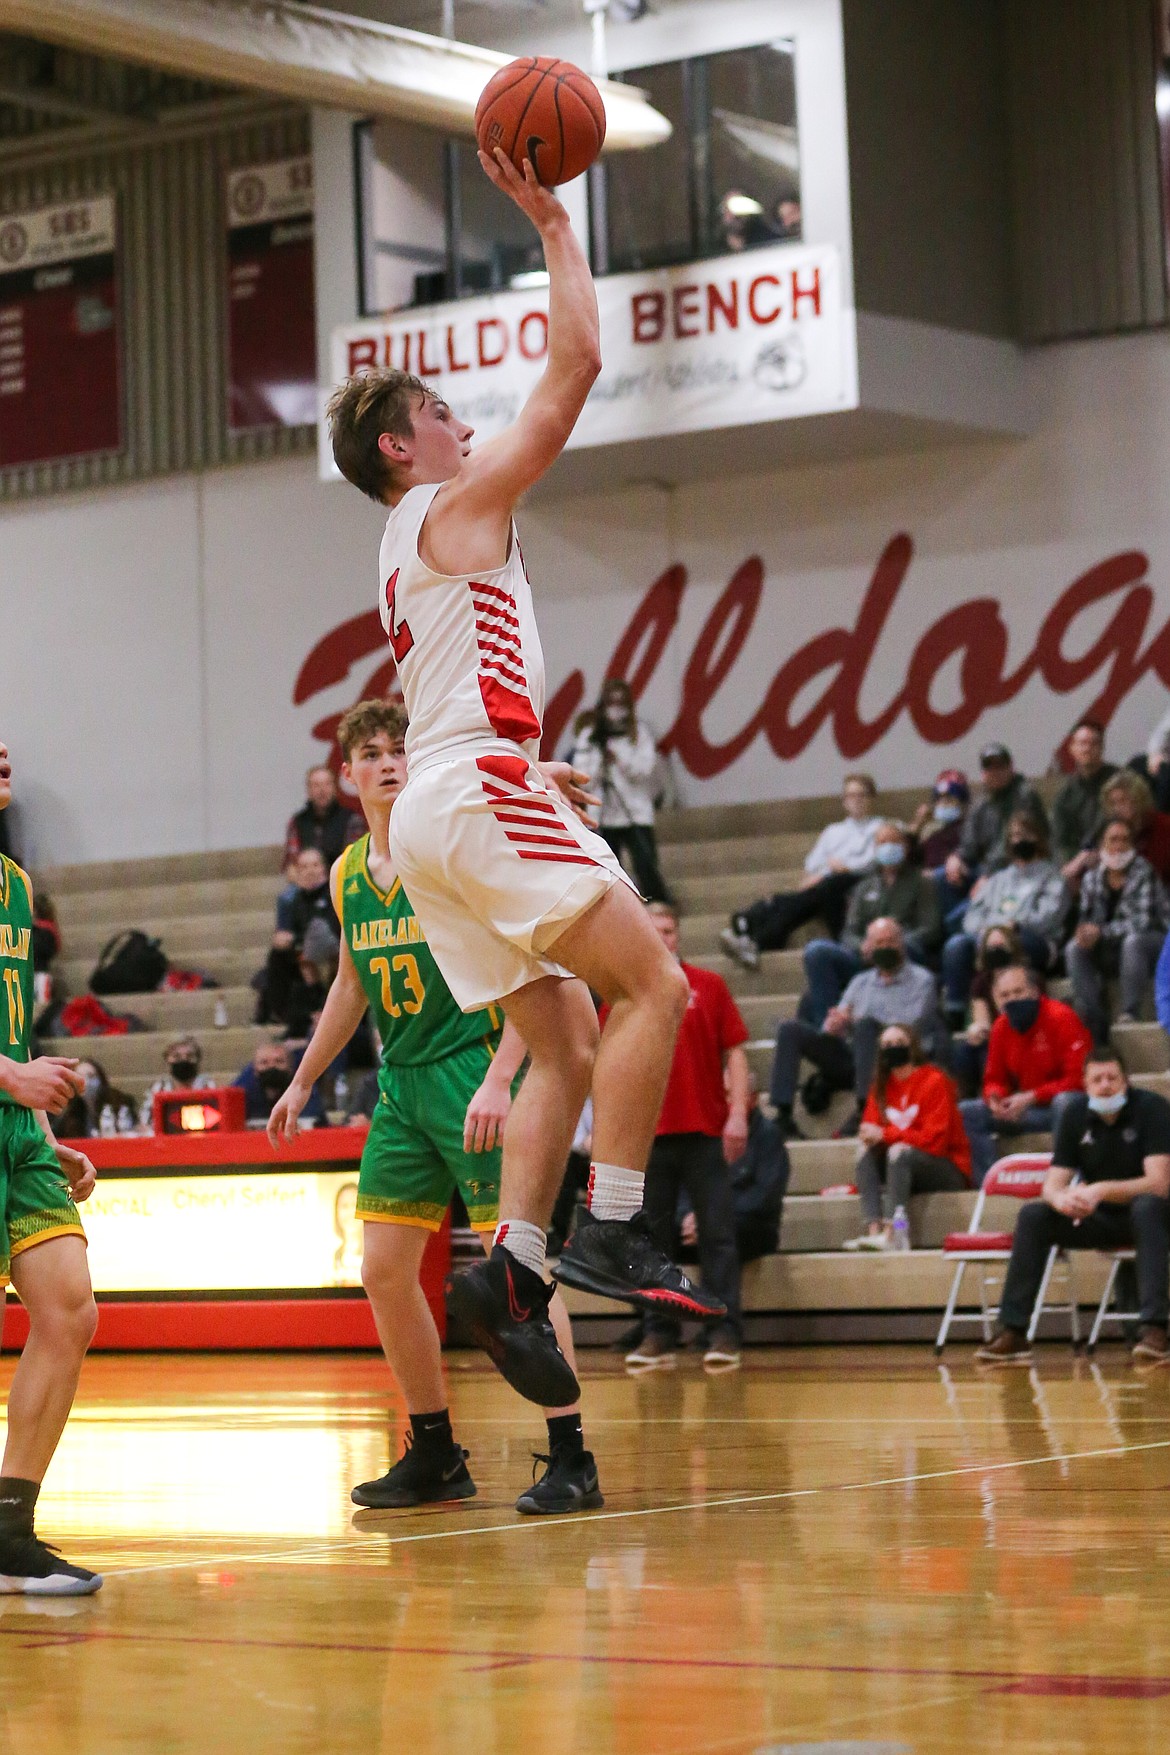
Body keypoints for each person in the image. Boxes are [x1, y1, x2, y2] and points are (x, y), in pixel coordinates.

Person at [326, 143, 723, 1409]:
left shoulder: (408, 545)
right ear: (405, 445)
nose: (464, 420)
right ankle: (612, 1219)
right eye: (442, 410)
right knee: (655, 979)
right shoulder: (453, 503)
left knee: (558, 1042)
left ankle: (515, 1261)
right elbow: (576, 370)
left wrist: (517, 767)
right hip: (474, 787)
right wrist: (553, 222)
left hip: (448, 813)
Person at [268, 700, 601, 1514]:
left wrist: (501, 1077)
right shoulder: (349, 873)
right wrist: (305, 1077)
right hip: (402, 1084)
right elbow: (351, 982)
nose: (387, 762)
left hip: (474, 1067)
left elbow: (532, 960)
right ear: (347, 775)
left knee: (518, 1271)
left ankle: (571, 1454)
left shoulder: (447, 847)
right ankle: (436, 1449)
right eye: (370, 753)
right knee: (382, 1267)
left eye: (398, 750)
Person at [0, 735, 101, 1594]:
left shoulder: (19, 887)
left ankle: (9, 1531)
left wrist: (32, 1115)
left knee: (68, 1308)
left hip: (14, 1131)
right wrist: (12, 1078)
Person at [976, 1047, 1170, 1364]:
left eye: (1112, 1078)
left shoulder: (1152, 1108)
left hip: (1155, 1218)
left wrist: (1099, 1190)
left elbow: (1159, 1183)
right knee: (1035, 1214)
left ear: (1126, 1081)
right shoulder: (1075, 1115)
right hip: (1100, 1218)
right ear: (1085, 1084)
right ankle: (1013, 1331)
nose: (1105, 1085)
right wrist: (1063, 1199)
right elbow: (1052, 1184)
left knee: (1147, 1206)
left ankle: (1156, 1330)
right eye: (1097, 1079)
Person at [624, 901, 750, 1371]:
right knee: (652, 1244)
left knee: (718, 1236)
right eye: (654, 930)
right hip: (647, 1135)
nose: (664, 938)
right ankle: (659, 1332)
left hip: (704, 1130)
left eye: (670, 930)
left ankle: (723, 1332)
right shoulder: (625, 992)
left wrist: (737, 1113)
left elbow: (735, 1052)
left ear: (679, 935)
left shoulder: (709, 986)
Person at [770, 918, 945, 1140]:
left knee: (865, 1026)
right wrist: (835, 1025)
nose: (885, 948)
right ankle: (783, 1115)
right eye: (879, 943)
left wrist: (860, 1020)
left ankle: (866, 1108)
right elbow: (838, 1022)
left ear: (902, 943)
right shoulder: (860, 983)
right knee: (790, 1029)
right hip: (857, 1059)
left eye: (890, 941)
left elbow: (911, 1026)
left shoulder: (922, 980)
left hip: (898, 1059)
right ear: (869, 948)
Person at [721, 775, 881, 969]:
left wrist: (840, 869)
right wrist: (820, 876)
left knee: (803, 894)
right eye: (850, 795)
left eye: (861, 795)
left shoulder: (881, 827)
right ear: (844, 801)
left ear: (871, 798)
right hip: (825, 885)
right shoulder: (833, 831)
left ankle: (751, 929)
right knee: (808, 894)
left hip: (856, 883)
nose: (856, 800)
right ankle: (759, 933)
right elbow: (812, 867)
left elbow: (874, 864)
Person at [800, 821, 941, 1026]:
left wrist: (892, 942)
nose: (888, 847)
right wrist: (865, 945)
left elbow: (931, 928)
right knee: (817, 951)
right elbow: (849, 932)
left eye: (894, 842)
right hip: (865, 957)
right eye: (882, 842)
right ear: (875, 848)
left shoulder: (922, 882)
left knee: (905, 947)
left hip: (905, 956)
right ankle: (830, 1027)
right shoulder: (864, 886)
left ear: (906, 847)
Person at [843, 1025, 970, 1251]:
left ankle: (896, 1230)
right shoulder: (880, 1088)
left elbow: (936, 1142)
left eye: (899, 1042)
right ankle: (874, 1230)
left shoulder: (934, 1080)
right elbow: (870, 1128)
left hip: (946, 1167)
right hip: (903, 1166)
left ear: (912, 1046)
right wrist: (869, 1135)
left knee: (898, 1151)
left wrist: (885, 1134)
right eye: (887, 1045)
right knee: (864, 1152)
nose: (894, 1049)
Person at [959, 962, 1088, 1183]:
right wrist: (995, 1098)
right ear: (996, 1001)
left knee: (1065, 1103)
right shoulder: (1001, 1026)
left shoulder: (1061, 1017)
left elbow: (1079, 1080)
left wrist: (1032, 1096)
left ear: (1035, 991)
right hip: (1026, 1110)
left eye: (1018, 992)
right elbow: (994, 1078)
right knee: (967, 1111)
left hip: (1063, 1108)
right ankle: (988, 1184)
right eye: (1005, 995)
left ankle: (1065, 1180)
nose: (1012, 1000)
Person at [941, 811, 1066, 1026]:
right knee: (956, 945)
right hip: (990, 937)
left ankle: (1019, 1012)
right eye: (1015, 835)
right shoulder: (998, 878)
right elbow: (972, 916)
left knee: (1017, 944)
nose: (1020, 840)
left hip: (1033, 939)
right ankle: (956, 1015)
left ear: (1039, 838)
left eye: (1027, 834)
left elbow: (1050, 916)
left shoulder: (1053, 876)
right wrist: (990, 931)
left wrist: (1015, 927)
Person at [1066, 817, 1168, 1040]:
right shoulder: (1092, 878)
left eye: (1125, 840)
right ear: (1103, 845)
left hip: (1151, 944)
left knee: (1133, 941)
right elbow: (1085, 916)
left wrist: (1100, 932)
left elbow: (1141, 921)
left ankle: (1130, 1011)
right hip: (1110, 947)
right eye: (1113, 840)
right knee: (1074, 948)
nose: (1119, 845)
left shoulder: (1144, 871)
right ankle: (1094, 1014)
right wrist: (1084, 933)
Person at [569, 678, 670, 902]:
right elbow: (581, 777)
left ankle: (658, 909)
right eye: (610, 703)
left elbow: (644, 770)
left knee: (646, 866)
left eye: (620, 703)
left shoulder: (640, 733)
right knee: (609, 874)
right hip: (602, 814)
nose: (615, 709)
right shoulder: (591, 735)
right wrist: (600, 759)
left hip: (634, 812)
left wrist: (619, 758)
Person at [945, 744, 1047, 894]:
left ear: (1010, 768)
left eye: (1000, 767)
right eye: (989, 768)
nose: (995, 772)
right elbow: (969, 844)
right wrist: (957, 857)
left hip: (1017, 867)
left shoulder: (1024, 796)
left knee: (966, 910)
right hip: (983, 868)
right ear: (983, 773)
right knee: (940, 878)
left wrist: (989, 875)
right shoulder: (980, 802)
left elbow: (1014, 845)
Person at [951, 924, 1026, 1099]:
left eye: (1001, 947)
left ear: (1012, 948)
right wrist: (977, 1029)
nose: (995, 951)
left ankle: (999, 1097)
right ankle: (972, 1100)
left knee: (992, 1049)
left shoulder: (1027, 977)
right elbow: (983, 1021)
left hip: (1023, 1034)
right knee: (968, 1049)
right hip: (996, 1037)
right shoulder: (981, 982)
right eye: (991, 947)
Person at [1052, 719, 1116, 878]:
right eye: (1082, 743)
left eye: (1093, 744)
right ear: (1072, 749)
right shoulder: (1065, 795)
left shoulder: (1118, 782)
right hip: (1077, 865)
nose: (1087, 749)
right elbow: (1060, 841)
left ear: (1101, 748)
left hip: (1115, 856)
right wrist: (1073, 862)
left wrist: (1099, 853)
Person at [283, 764, 365, 870]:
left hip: (340, 878)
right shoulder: (297, 822)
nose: (322, 790)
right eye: (316, 785)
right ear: (308, 790)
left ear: (335, 788)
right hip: (305, 881)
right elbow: (291, 864)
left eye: (327, 784)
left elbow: (355, 862)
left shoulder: (352, 820)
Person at [1096, 769, 1170, 884]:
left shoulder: (1164, 827)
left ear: (1139, 799)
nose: (1117, 809)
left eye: (1123, 801)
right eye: (1113, 803)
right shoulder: (1112, 830)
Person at [235, 1039, 323, 1126]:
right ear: (254, 1070)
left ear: (290, 1067)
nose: (272, 1066)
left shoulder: (303, 1090)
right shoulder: (244, 1092)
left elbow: (310, 1120)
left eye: (279, 1061)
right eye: (264, 1062)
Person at [140, 1034, 217, 1127]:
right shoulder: (158, 1088)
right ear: (167, 1060)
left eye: (189, 1056)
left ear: (197, 1059)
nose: (184, 1060)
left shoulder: (208, 1086)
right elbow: (146, 1123)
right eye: (176, 1056)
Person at [53, 1056, 136, 1140]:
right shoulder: (71, 1114)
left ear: (101, 1079)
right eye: (80, 1077)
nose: (86, 1082)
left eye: (91, 1076)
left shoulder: (120, 1103)